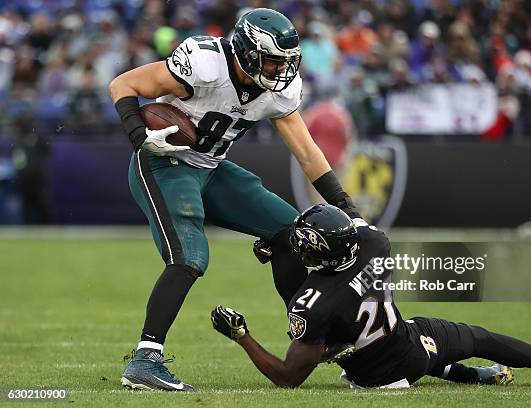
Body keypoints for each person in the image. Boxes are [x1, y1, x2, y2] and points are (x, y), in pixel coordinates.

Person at [109, 8, 359, 391]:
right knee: (189, 257)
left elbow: (307, 152)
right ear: (247, 52)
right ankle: (145, 359)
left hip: (211, 168)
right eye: (273, 62)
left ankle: (312, 335)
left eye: (286, 63)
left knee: (293, 234)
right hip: (164, 164)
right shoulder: (204, 65)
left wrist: (346, 206)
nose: (281, 73)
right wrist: (139, 136)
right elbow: (123, 85)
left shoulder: (279, 91)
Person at [211, 204, 531, 389]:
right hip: (401, 350)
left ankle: (484, 376)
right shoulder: (375, 244)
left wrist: (242, 336)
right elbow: (328, 262)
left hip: (366, 373)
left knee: (426, 340)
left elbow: (288, 378)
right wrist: (280, 252)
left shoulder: (313, 301)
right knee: (474, 337)